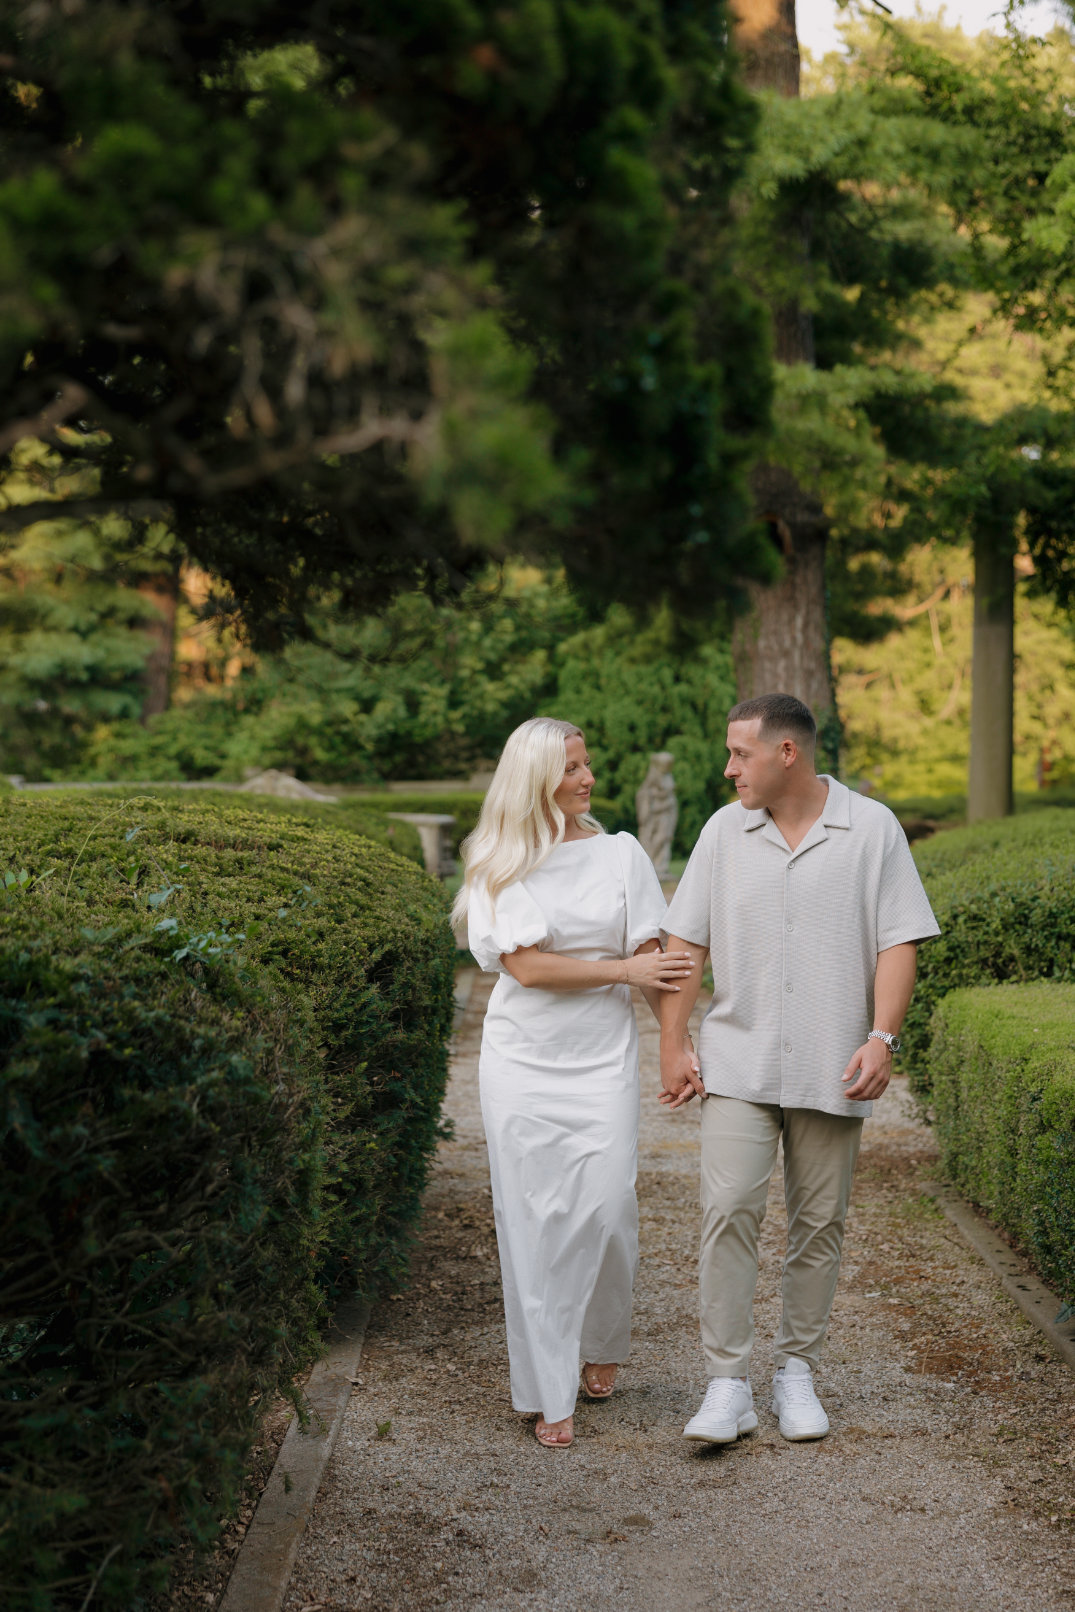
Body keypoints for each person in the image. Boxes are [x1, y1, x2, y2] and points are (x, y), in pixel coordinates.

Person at [659, 693, 940, 1445]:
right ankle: (727, 1385)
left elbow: (898, 941)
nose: (727, 769)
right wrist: (672, 1040)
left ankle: (795, 1374)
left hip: (831, 1064)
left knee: (819, 1223)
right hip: (737, 1061)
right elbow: (684, 944)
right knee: (727, 1214)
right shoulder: (723, 832)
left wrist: (881, 1037)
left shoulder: (870, 828)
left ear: (787, 753)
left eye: (739, 754)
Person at [453, 717, 694, 1449]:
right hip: (523, 1060)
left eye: (586, 764)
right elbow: (527, 967)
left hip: (601, 1056)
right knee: (532, 1220)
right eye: (570, 770)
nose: (586, 779)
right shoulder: (497, 862)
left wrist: (674, 1048)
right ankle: (546, 1387)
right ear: (534, 782)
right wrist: (623, 972)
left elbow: (657, 961)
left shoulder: (621, 855)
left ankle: (602, 1337)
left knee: (607, 1205)